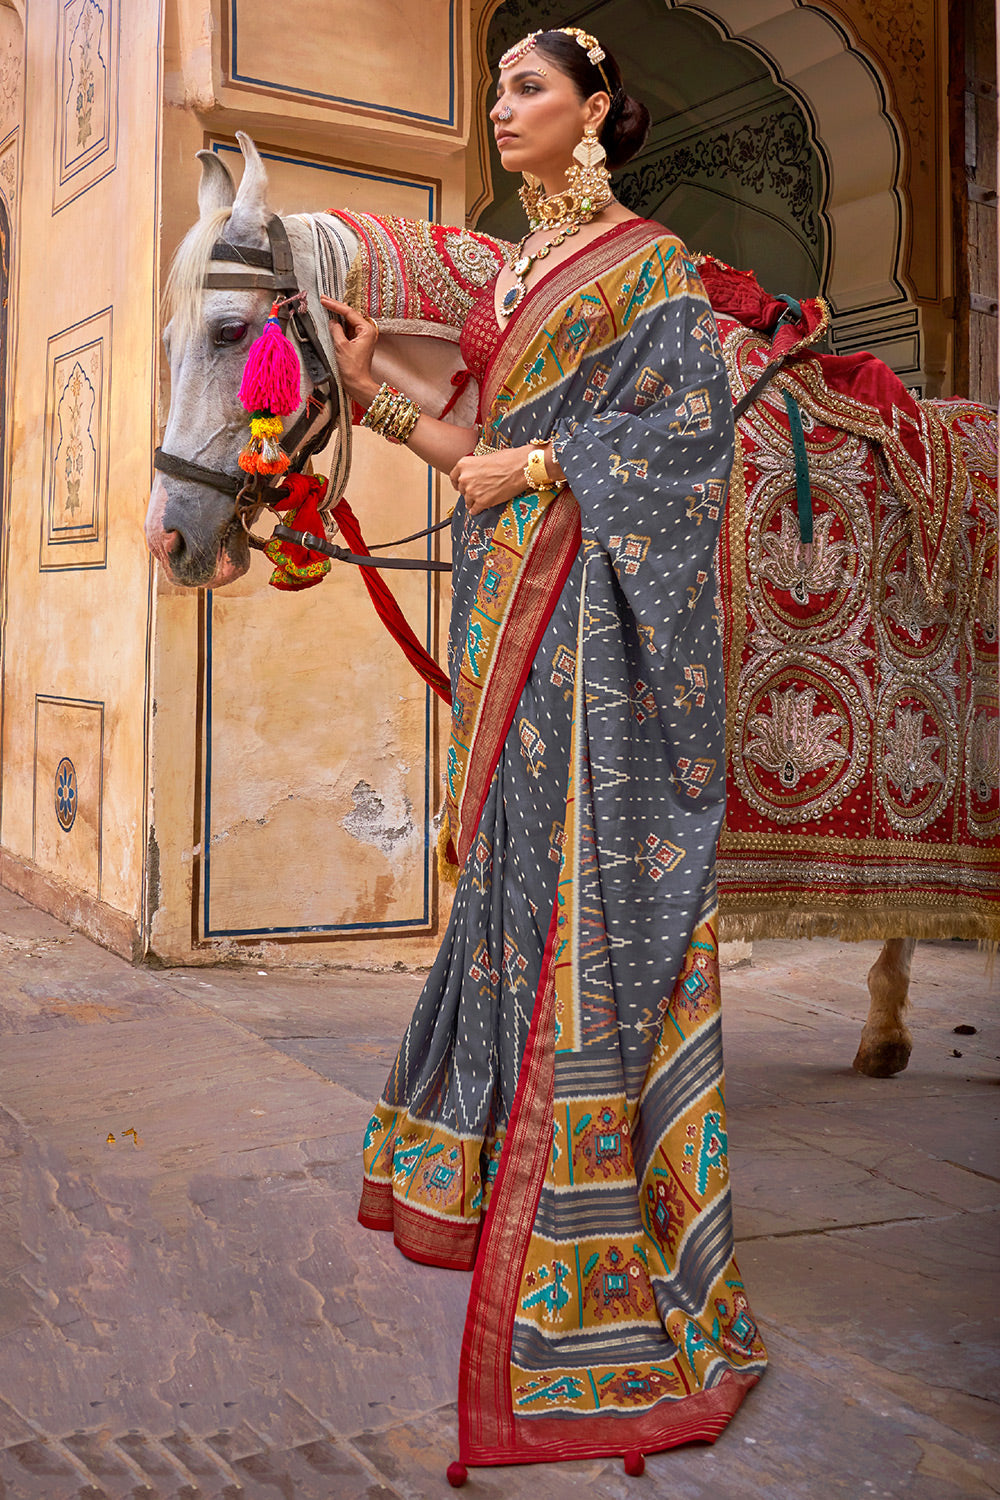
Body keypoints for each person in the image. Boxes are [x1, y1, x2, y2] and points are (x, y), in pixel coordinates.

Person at [321, 26, 767, 1479]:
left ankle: (596, 1242)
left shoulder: (653, 266)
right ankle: (480, 1180)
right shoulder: (512, 274)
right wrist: (376, 387)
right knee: (511, 899)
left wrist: (561, 462)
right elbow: (484, 457)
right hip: (521, 607)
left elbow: (691, 437)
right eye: (497, 87)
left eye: (528, 90)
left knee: (578, 909)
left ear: (594, 117)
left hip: (597, 630)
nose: (500, 111)